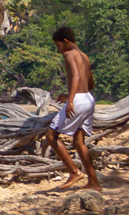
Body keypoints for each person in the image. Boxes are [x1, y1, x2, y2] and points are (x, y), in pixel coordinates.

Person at [48, 26, 103, 190]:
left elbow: (76, 75)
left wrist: (71, 99)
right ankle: (94, 182)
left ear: (65, 42)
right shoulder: (84, 56)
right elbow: (90, 82)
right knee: (79, 142)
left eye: (58, 46)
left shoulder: (68, 54)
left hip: (78, 99)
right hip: (88, 98)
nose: (59, 50)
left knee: (51, 136)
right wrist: (72, 95)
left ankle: (74, 171)